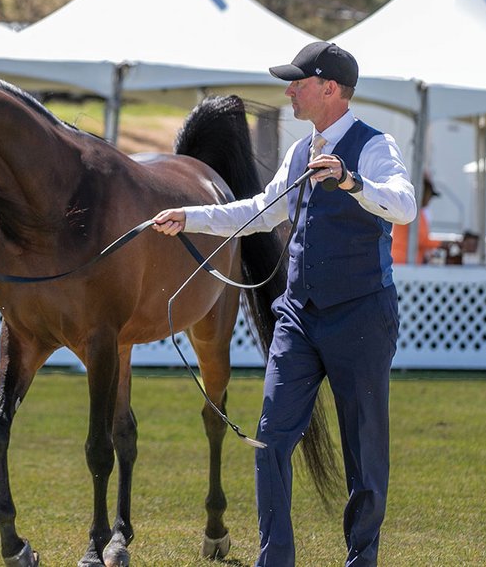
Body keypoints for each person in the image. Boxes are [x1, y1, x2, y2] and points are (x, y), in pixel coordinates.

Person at [152, 41, 416, 567]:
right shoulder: (300, 152)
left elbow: (403, 206)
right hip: (298, 317)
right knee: (270, 441)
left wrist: (352, 181)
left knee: (364, 454)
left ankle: (361, 558)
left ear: (330, 89)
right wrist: (190, 215)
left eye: (298, 81)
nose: (289, 90)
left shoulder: (374, 146)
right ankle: (275, 560)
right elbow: (258, 212)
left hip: (361, 317)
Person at [391, 175, 440, 264]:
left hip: (407, 261)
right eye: (429, 195)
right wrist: (441, 244)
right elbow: (420, 240)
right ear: (422, 192)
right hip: (402, 261)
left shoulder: (418, 212)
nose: (430, 199)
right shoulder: (411, 210)